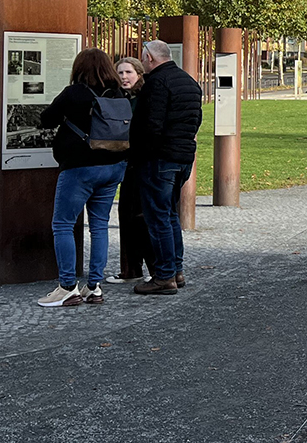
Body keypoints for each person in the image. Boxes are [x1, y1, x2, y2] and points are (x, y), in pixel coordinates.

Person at [36, 49, 129, 308]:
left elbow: (46, 119)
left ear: (79, 68)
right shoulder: (118, 94)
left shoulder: (74, 93)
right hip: (113, 166)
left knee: (63, 224)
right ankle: (94, 287)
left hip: (80, 168)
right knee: (99, 225)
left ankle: (67, 287)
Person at [131, 40, 204, 295]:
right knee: (170, 215)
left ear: (150, 58)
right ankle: (176, 270)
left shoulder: (156, 83)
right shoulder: (189, 82)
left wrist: (140, 155)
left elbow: (151, 124)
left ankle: (164, 276)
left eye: (142, 57)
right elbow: (196, 120)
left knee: (158, 217)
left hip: (159, 159)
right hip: (183, 157)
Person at [107, 56, 149, 284]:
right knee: (126, 214)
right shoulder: (117, 96)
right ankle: (131, 267)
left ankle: (147, 266)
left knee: (140, 215)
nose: (124, 77)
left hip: (140, 162)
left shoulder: (143, 97)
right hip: (125, 160)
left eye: (128, 73)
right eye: (120, 73)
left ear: (139, 74)